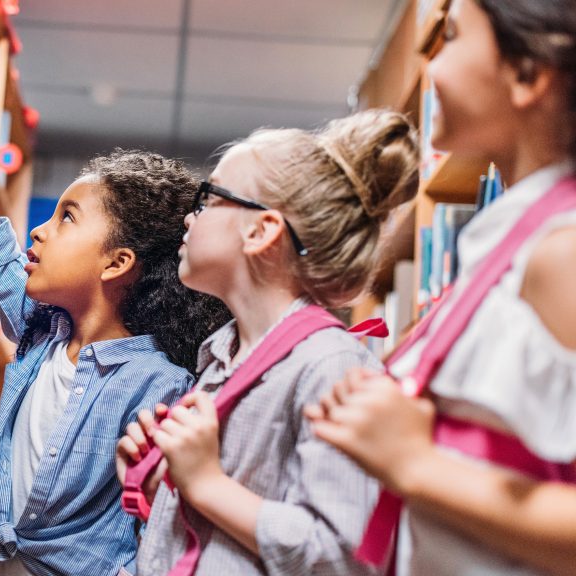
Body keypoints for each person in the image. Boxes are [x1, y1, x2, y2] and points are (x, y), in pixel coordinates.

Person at [0, 59, 231, 575]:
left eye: (67, 218)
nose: (39, 232)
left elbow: (155, 527)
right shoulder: (43, 330)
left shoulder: (160, 384)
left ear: (117, 263)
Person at [306, 1, 576, 574]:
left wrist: (415, 464)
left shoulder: (562, 251)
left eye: (449, 37)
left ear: (528, 73)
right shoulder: (508, 244)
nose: (434, 64)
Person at [117, 108, 420, 575]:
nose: (189, 217)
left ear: (261, 231)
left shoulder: (332, 366)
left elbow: (342, 557)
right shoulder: (221, 358)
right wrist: (165, 485)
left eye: (209, 197)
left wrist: (205, 483)